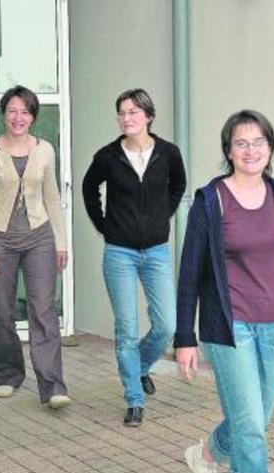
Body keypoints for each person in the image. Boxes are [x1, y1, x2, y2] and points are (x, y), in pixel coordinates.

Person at [174, 110, 274, 473]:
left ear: (270, 147)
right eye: (241, 143)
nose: (251, 150)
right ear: (228, 151)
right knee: (250, 430)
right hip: (230, 329)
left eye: (259, 142)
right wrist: (185, 337)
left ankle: (208, 455)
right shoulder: (211, 200)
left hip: (273, 323)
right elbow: (190, 273)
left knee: (256, 419)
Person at [82, 88, 187, 427]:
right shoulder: (107, 156)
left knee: (167, 324)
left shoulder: (168, 153)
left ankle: (140, 367)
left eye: (134, 112)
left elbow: (178, 187)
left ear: (149, 116)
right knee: (126, 330)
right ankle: (134, 399)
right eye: (122, 112)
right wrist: (104, 225)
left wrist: (162, 217)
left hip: (156, 252)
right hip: (120, 254)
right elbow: (88, 188)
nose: (127, 118)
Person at [0, 85, 70, 409]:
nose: (19, 117)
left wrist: (61, 242)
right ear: (3, 114)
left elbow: (53, 198)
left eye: (25, 112)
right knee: (1, 309)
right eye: (12, 111)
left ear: (33, 117)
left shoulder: (45, 150)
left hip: (39, 237)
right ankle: (6, 375)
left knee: (43, 309)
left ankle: (53, 385)